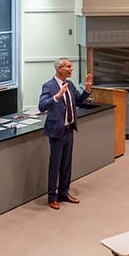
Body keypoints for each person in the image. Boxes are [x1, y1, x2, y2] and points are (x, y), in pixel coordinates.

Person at [38, 57, 93, 210]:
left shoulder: (70, 84)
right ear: (59, 68)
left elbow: (79, 100)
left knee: (67, 163)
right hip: (56, 132)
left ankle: (64, 192)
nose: (71, 69)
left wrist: (87, 89)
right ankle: (52, 197)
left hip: (69, 130)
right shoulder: (48, 86)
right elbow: (41, 106)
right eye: (68, 66)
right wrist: (56, 97)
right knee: (55, 165)